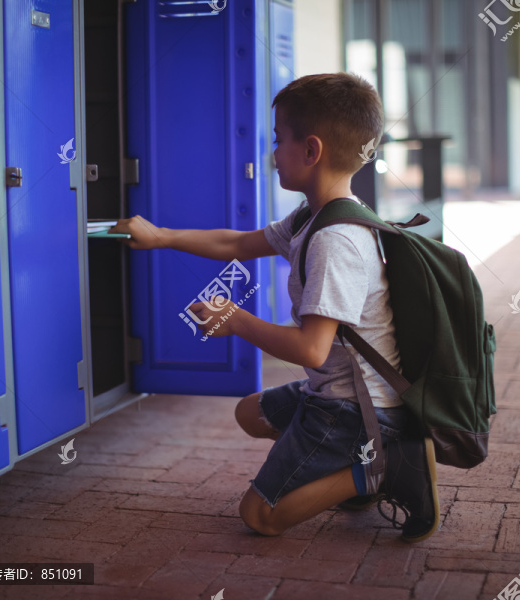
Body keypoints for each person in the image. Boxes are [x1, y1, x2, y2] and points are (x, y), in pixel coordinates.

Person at [110, 73, 439, 542]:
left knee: (259, 516)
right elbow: (238, 243)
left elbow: (311, 349)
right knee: (252, 414)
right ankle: (354, 468)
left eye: (277, 140)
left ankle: (387, 468)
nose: (271, 153)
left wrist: (236, 319)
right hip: (332, 394)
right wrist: (160, 236)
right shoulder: (314, 215)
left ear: (311, 151)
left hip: (357, 411)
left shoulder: (336, 240)